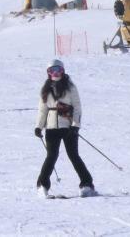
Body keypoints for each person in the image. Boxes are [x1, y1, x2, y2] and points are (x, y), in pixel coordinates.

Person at [35, 60, 95, 197]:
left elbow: (77, 107)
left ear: (63, 71)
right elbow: (42, 110)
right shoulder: (46, 89)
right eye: (52, 71)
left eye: (58, 70)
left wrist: (75, 125)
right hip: (51, 127)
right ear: (48, 73)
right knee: (51, 156)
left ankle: (86, 183)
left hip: (68, 127)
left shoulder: (70, 87)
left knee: (73, 155)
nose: (55, 73)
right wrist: (39, 126)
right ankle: (42, 185)